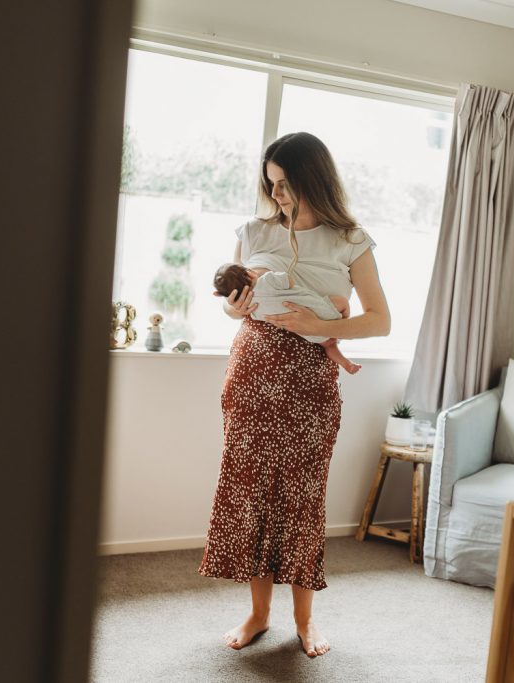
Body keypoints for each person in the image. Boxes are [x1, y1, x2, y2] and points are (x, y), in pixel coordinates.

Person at [198, 132, 391, 659]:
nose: (276, 194)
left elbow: (379, 320)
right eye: (271, 184)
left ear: (314, 179)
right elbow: (232, 303)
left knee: (301, 499)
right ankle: (259, 614)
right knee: (251, 494)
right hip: (252, 377)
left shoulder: (351, 239)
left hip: (310, 384)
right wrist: (235, 308)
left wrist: (316, 324)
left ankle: (305, 621)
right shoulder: (254, 231)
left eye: (285, 184)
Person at [211, 261, 362, 374]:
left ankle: (346, 363)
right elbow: (289, 281)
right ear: (249, 273)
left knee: (329, 345)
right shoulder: (267, 280)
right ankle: (342, 325)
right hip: (319, 311)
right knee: (342, 302)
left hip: (309, 334)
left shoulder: (253, 310)